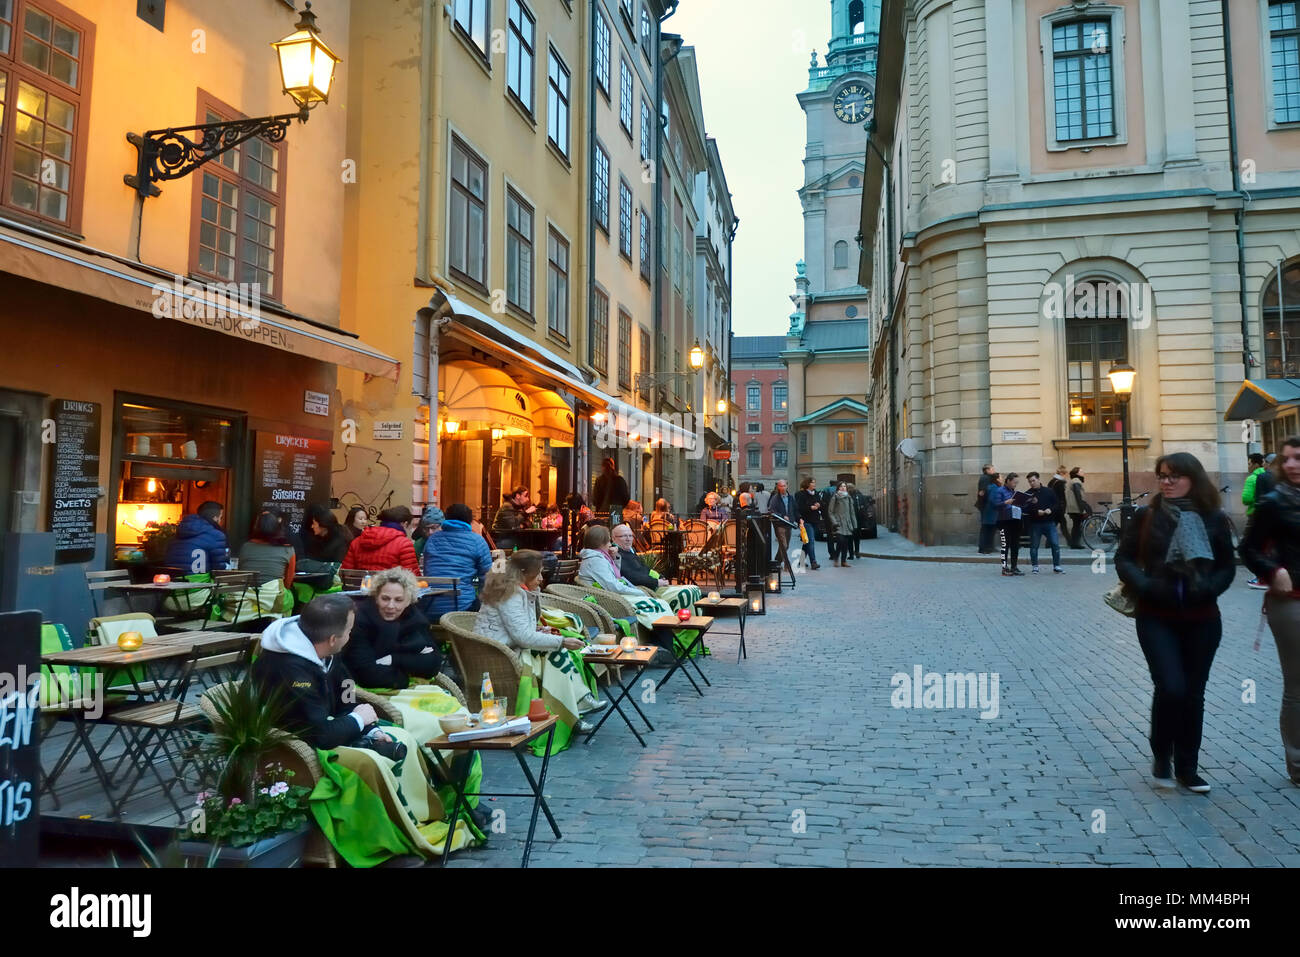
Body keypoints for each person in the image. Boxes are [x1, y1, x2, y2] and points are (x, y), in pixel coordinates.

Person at [1115, 452, 1235, 794]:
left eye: (1174, 476)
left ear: (1192, 479)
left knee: (1193, 694)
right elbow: (1123, 557)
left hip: (1202, 617)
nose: (1166, 482)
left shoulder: (1213, 518)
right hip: (1157, 615)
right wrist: (1146, 585)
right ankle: (1160, 754)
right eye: (1162, 476)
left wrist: (1209, 588)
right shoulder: (1147, 515)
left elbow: (1227, 566)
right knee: (1171, 686)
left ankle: (1188, 767)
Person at [476, 550, 603, 737]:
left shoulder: (518, 589)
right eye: (538, 573)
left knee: (555, 654)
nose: (542, 578)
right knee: (556, 655)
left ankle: (575, 709)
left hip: (510, 647)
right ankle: (574, 711)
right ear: (524, 573)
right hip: (500, 654)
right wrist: (561, 641)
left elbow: (521, 628)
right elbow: (522, 637)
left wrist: (541, 631)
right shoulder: (510, 594)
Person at [251, 594, 389, 750]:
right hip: (290, 749)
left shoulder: (328, 651)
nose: (350, 636)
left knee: (401, 741)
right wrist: (358, 719)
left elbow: (346, 689)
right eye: (349, 631)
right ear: (332, 639)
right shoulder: (291, 671)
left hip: (330, 730)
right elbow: (319, 736)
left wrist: (370, 730)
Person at [1240, 438, 1300, 785]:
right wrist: (1273, 570)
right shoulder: (1274, 502)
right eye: (1287, 459)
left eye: (1299, 458)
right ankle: (1298, 763)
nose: (1292, 464)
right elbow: (1247, 548)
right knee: (1297, 684)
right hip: (1290, 598)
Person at [343, 567, 442, 690]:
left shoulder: (415, 619)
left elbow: (433, 663)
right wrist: (405, 675)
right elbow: (366, 671)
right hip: (358, 690)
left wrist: (394, 659)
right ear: (376, 597)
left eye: (398, 600)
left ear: (408, 601)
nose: (391, 606)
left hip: (398, 685)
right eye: (385, 598)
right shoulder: (360, 619)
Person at [422, 503, 493, 616]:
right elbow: (487, 576)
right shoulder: (477, 541)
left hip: (430, 605)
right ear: (470, 521)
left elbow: (428, 570)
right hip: (462, 607)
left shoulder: (432, 540)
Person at [341, 505, 420, 573]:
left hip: (360, 588)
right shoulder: (404, 544)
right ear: (404, 524)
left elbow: (346, 572)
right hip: (390, 589)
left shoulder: (357, 541)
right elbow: (412, 576)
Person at [164, 500, 229, 573]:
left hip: (172, 580)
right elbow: (219, 568)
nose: (220, 521)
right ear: (215, 518)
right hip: (199, 581)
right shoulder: (216, 535)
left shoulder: (179, 531)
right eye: (221, 517)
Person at [1243, 453, 1277, 589]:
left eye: (1250, 463)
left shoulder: (1257, 478)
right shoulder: (1280, 478)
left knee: (1249, 546)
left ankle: (1263, 577)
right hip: (1276, 518)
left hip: (1260, 517)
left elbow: (1250, 499)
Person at [238, 510, 296, 588]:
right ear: (278, 528)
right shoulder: (288, 550)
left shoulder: (245, 547)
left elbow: (241, 573)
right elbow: (288, 584)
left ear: (256, 527)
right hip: (274, 597)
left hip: (248, 596)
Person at [1024, 472, 1063, 574]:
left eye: (1033, 480)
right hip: (1035, 523)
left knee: (1055, 544)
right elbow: (1026, 509)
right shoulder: (1028, 493)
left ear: (1038, 479)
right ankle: (1035, 566)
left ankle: (1057, 565)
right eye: (1030, 481)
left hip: (1049, 522)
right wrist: (1036, 512)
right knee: (1034, 546)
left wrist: (1051, 510)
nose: (1032, 483)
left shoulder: (1049, 491)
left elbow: (1057, 504)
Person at [989, 472, 1024, 576]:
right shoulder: (1000, 491)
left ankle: (1014, 567)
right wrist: (1005, 503)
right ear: (1008, 481)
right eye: (1014, 482)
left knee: (1015, 545)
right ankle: (1004, 568)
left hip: (1015, 521)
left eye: (1016, 483)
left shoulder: (1014, 491)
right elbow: (995, 505)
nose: (1015, 484)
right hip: (1004, 521)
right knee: (1005, 545)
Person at [768, 479, 798, 575]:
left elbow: (795, 509)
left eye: (784, 486)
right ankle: (786, 564)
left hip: (789, 524)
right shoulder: (775, 498)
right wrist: (782, 516)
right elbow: (772, 510)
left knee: (786, 545)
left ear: (787, 486)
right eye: (780, 486)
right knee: (783, 544)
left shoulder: (791, 497)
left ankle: (776, 561)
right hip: (780, 524)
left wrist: (799, 519)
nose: (782, 488)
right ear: (778, 487)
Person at [795, 477, 823, 570]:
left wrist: (819, 505)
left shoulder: (816, 493)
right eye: (812, 483)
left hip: (815, 520)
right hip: (805, 520)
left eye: (814, 482)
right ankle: (813, 562)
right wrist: (810, 507)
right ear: (807, 484)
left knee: (806, 541)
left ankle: (802, 560)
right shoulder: (800, 494)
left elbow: (820, 503)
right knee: (810, 540)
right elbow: (799, 507)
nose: (814, 484)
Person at [592, 457, 630, 525]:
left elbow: (595, 500)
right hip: (616, 512)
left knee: (602, 533)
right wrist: (620, 507)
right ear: (613, 466)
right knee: (615, 532)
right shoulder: (620, 480)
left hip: (601, 513)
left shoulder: (599, 480)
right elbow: (626, 498)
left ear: (602, 467)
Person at [828, 482, 857, 568]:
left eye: (844, 486)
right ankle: (836, 558)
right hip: (839, 523)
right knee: (840, 541)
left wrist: (854, 524)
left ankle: (843, 561)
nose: (843, 488)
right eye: (841, 486)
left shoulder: (848, 498)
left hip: (847, 524)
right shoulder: (835, 497)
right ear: (838, 488)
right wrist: (834, 522)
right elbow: (830, 512)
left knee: (846, 543)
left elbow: (852, 512)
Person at [975, 465, 997, 554]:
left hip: (988, 506)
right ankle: (983, 548)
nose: (994, 470)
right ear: (987, 470)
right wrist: (985, 504)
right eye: (992, 469)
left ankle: (989, 546)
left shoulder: (988, 478)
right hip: (987, 506)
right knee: (986, 528)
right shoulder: (985, 478)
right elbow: (982, 492)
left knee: (991, 528)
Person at [1066, 467, 1089, 549]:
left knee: (1076, 525)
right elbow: (1078, 495)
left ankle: (1074, 543)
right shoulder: (1076, 481)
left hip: (1073, 507)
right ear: (1077, 473)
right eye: (1081, 471)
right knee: (1077, 526)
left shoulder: (1073, 480)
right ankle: (1075, 544)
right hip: (1076, 508)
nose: (1083, 472)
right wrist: (1082, 508)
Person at [1048, 466, 1070, 543]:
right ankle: (1071, 542)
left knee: (1055, 525)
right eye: (1064, 474)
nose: (1065, 475)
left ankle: (1048, 543)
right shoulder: (1060, 483)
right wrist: (1063, 507)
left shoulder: (1052, 481)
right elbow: (1061, 496)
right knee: (1063, 525)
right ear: (1061, 473)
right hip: (1059, 508)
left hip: (1053, 507)